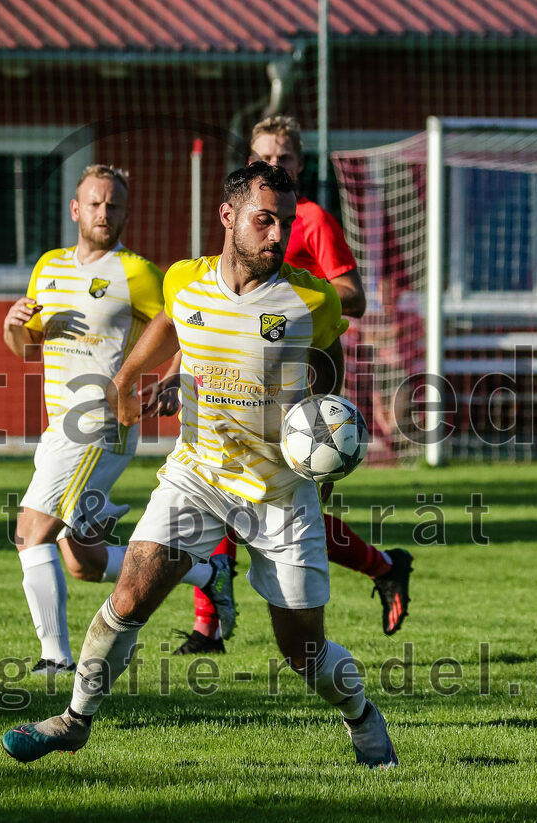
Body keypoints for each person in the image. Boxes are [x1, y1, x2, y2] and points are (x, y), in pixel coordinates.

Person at [1, 162, 398, 769]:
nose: (276, 236)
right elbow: (171, 322)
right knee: (130, 596)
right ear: (228, 217)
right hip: (198, 475)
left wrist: (325, 426)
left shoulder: (307, 298)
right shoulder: (187, 279)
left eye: (285, 224)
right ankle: (74, 719)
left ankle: (361, 715)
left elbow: (330, 351)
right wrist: (130, 378)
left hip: (279, 491)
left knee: (304, 652)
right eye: (264, 221)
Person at [175, 115, 413, 654]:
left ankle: (382, 566)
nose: (274, 166)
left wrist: (297, 295)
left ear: (299, 165)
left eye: (283, 158)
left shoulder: (309, 220)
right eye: (264, 159)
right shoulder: (244, 226)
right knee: (220, 485)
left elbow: (351, 296)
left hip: (299, 385)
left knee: (293, 512)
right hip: (235, 378)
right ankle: (208, 625)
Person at [3, 164, 236, 676]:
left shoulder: (137, 272)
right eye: (94, 203)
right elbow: (26, 346)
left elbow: (184, 325)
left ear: (127, 212)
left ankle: (55, 661)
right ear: (75, 209)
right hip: (57, 423)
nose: (104, 213)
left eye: (114, 205)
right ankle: (205, 570)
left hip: (96, 422)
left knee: (30, 532)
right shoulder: (49, 266)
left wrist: (174, 377)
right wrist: (12, 325)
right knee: (81, 561)